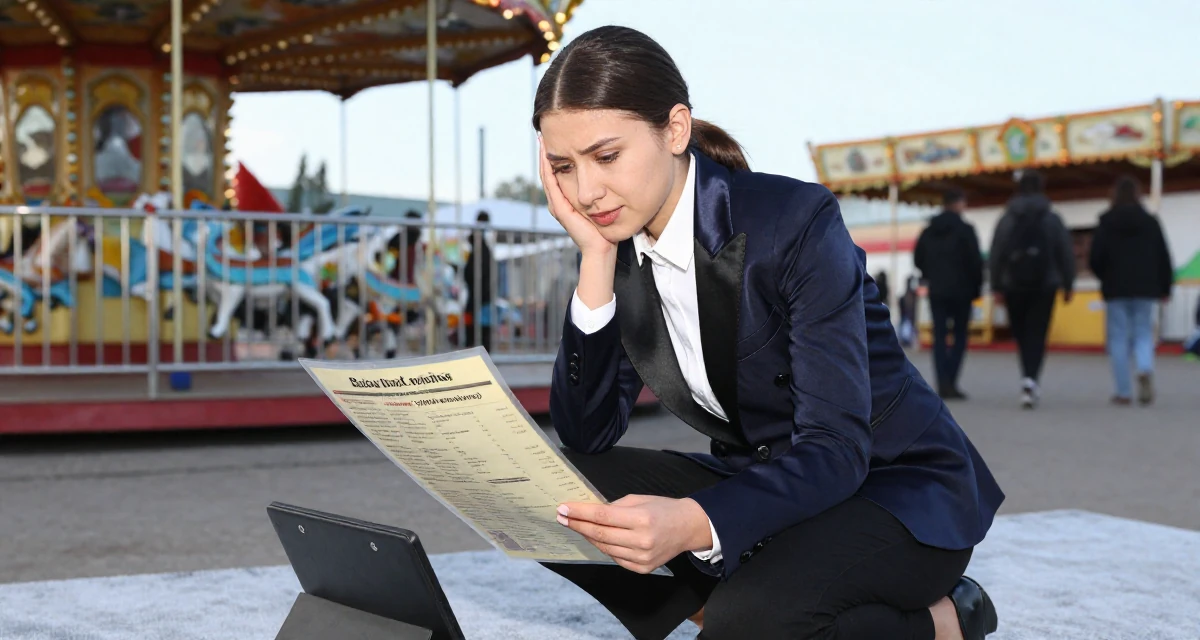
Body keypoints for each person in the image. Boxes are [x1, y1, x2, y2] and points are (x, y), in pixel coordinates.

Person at [537, 25, 1003, 640]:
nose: (586, 191)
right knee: (550, 494)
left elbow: (836, 447)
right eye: (565, 168)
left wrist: (696, 521)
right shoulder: (621, 245)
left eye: (606, 156)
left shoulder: (795, 222)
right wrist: (593, 260)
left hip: (891, 487)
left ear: (675, 129)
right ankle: (731, 600)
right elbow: (587, 433)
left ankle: (942, 621)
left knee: (750, 620)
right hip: (766, 477)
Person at [988, 171, 1075, 409]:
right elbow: (1065, 252)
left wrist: (995, 285)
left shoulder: (1007, 218)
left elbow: (996, 253)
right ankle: (1030, 380)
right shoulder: (1052, 217)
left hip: (1013, 284)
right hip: (1045, 284)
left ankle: (1026, 375)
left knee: (1021, 333)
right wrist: (1068, 283)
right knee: (1038, 333)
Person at [1088, 177, 1174, 405]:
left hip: (1116, 288)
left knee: (1118, 338)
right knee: (1143, 333)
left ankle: (1123, 392)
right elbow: (1163, 256)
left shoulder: (1106, 222)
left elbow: (1095, 258)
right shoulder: (1151, 222)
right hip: (1146, 287)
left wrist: (1105, 277)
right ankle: (1144, 368)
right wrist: (1165, 287)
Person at [914, 188, 984, 400]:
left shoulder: (928, 231)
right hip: (962, 291)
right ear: (958, 203)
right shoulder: (966, 230)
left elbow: (918, 259)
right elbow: (975, 262)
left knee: (939, 336)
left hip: (937, 290)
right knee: (960, 336)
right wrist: (976, 288)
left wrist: (930, 275)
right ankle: (952, 382)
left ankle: (941, 382)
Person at [463, 210, 494, 352]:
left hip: (480, 289)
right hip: (482, 289)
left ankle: (475, 348)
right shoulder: (481, 244)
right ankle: (480, 348)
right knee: (480, 321)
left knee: (477, 320)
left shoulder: (479, 245)